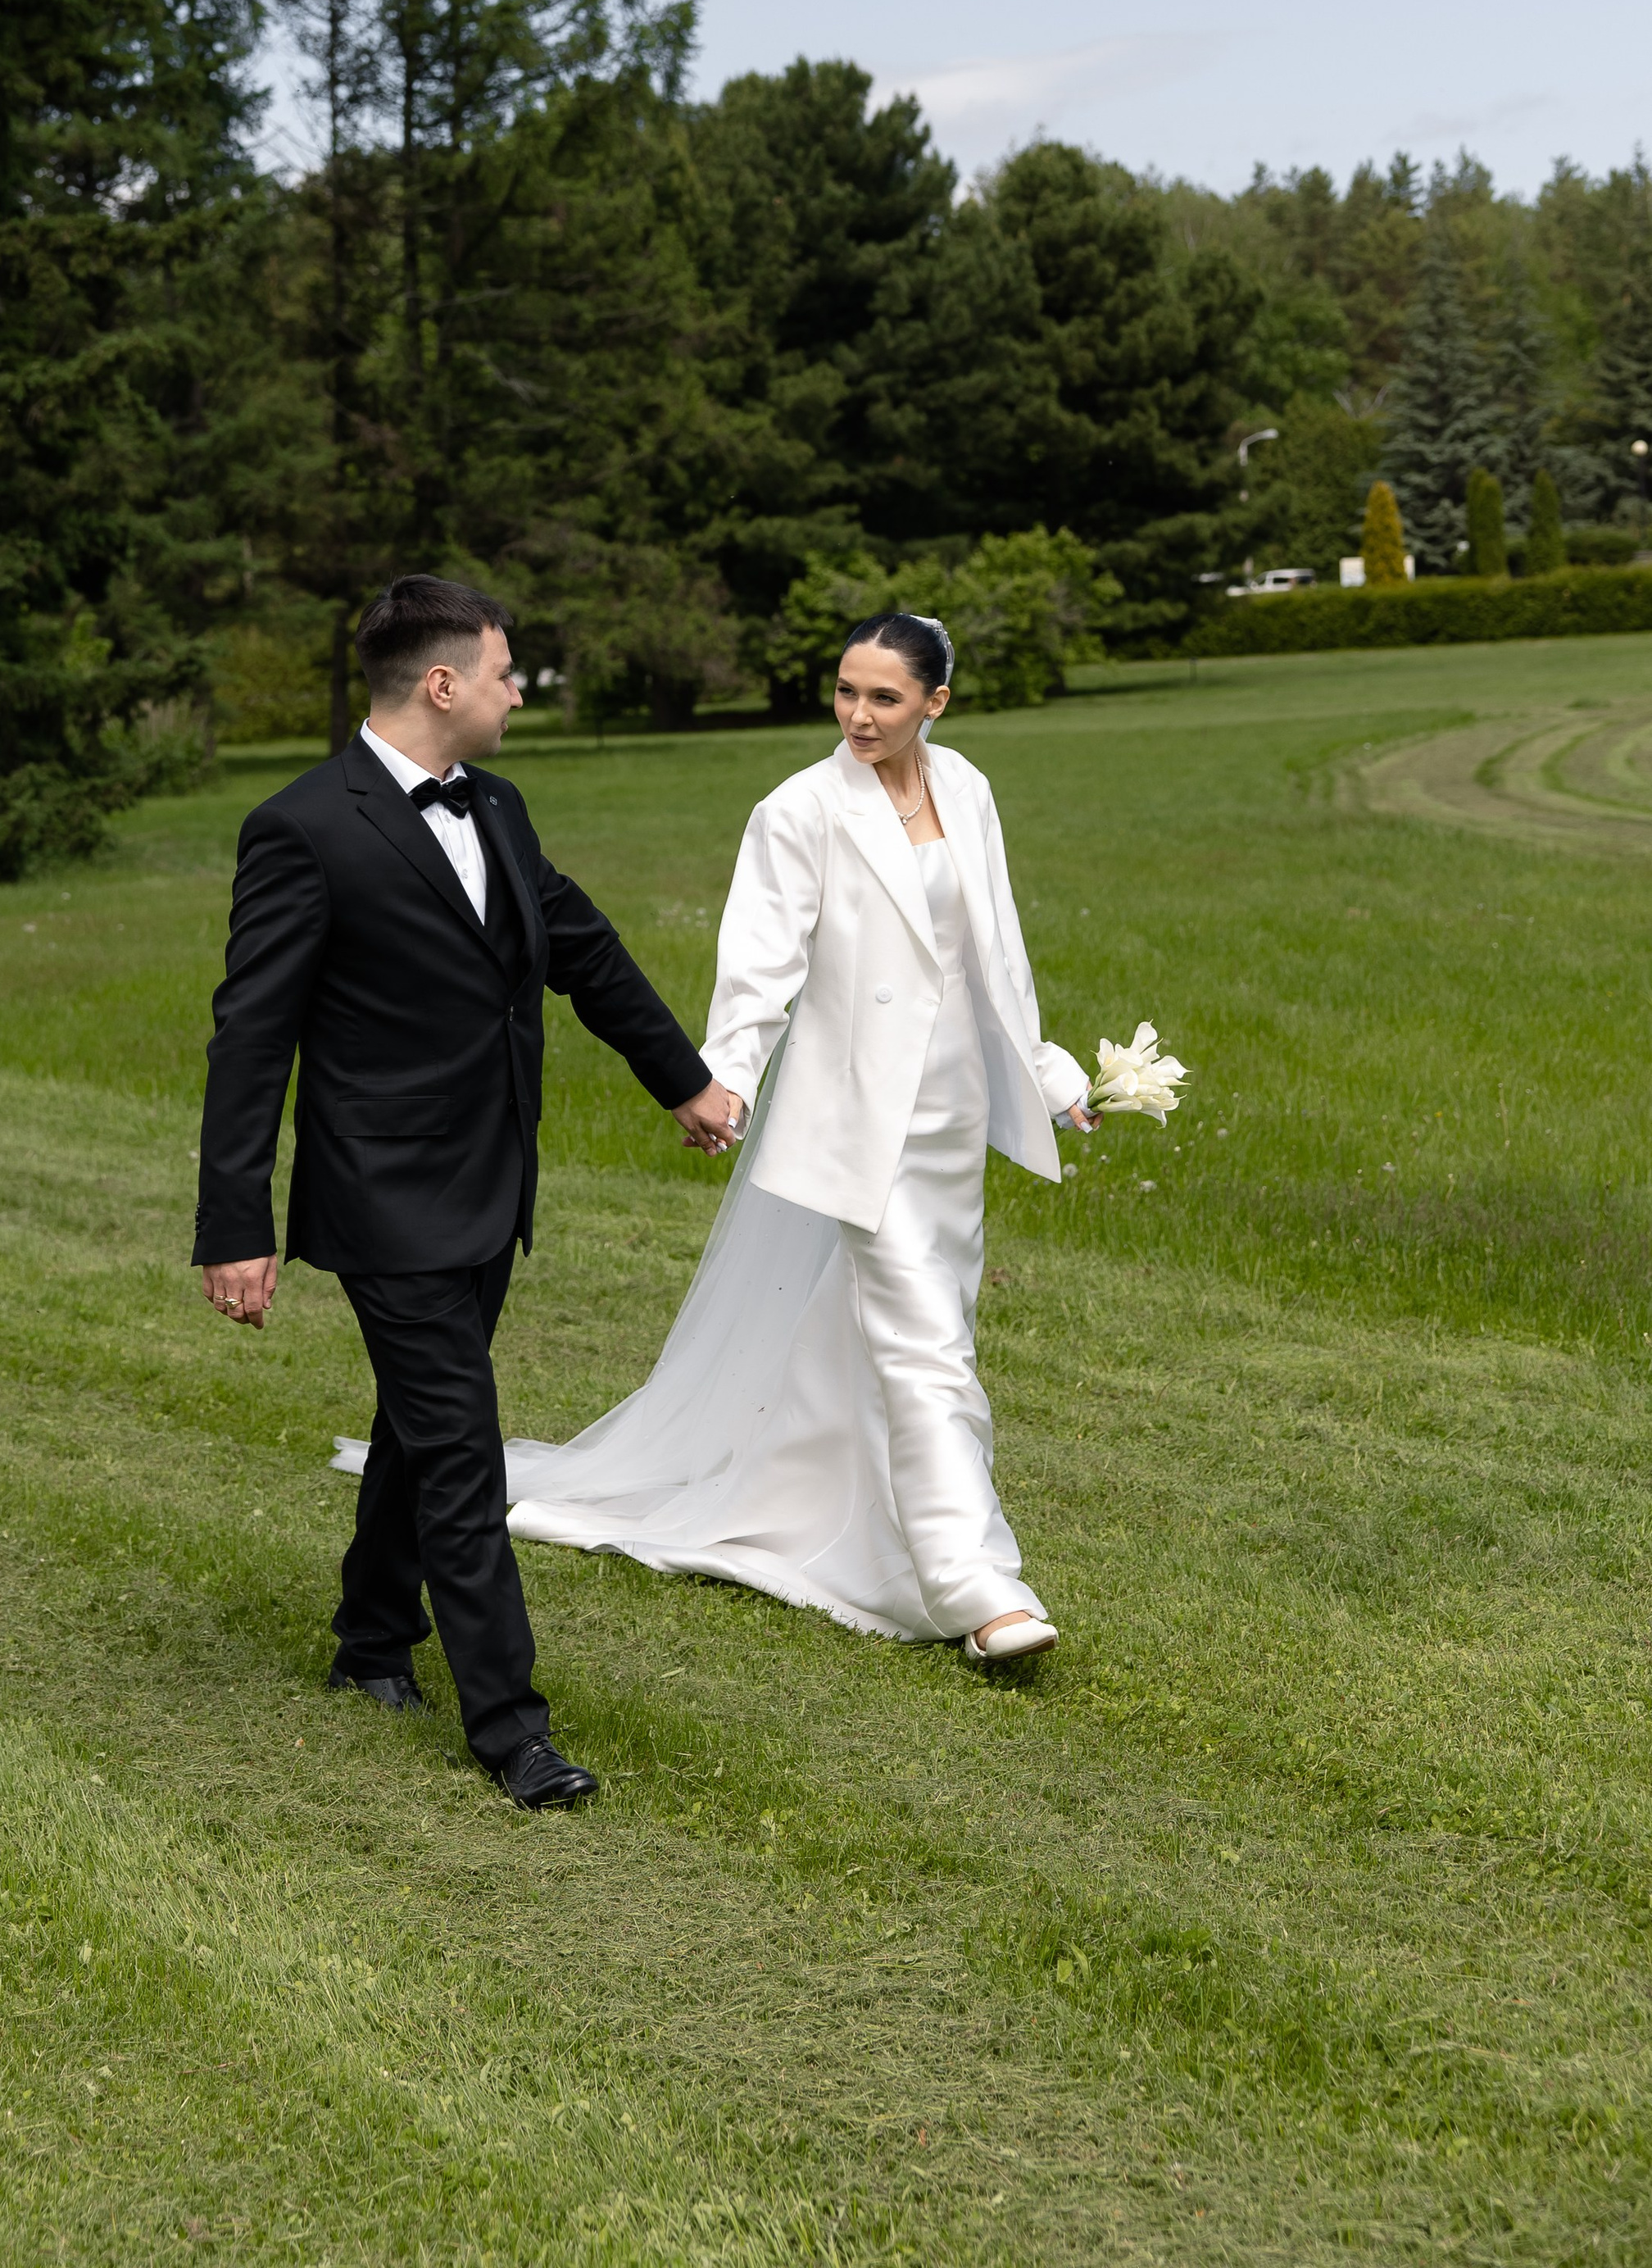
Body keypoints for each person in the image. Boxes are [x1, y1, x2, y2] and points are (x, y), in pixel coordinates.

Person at [193, 574, 739, 1807]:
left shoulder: (497, 806)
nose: (517, 691)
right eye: (504, 671)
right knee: (461, 1452)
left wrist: (684, 1081)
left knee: (420, 1427)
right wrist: (238, 1226)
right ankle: (512, 1731)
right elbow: (250, 1039)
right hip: (385, 1200)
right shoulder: (303, 828)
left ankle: (370, 1641)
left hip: (492, 1188)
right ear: (441, 683)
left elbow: (579, 947)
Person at [500, 611, 1093, 1662]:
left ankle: (812, 1500)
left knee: (907, 1326)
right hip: (858, 1113)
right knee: (925, 1343)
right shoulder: (798, 810)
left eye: (885, 699)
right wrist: (724, 1076)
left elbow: (996, 950)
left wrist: (1046, 1079)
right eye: (845, 692)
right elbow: (760, 963)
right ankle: (975, 1589)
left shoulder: (968, 790)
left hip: (952, 1113)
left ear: (935, 704)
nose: (858, 716)